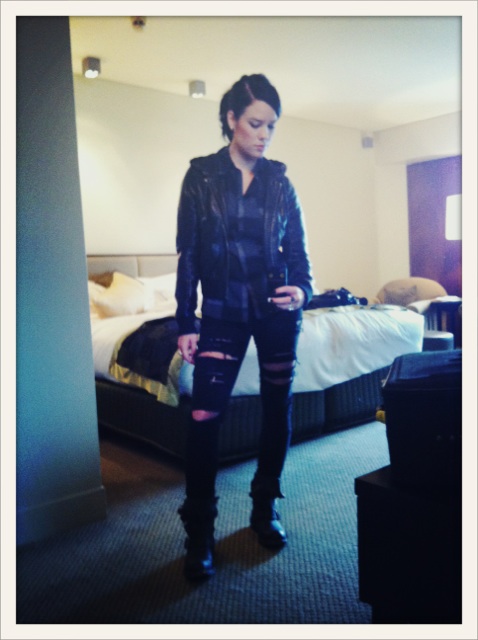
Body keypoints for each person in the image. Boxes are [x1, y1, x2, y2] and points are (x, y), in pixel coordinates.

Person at [175, 73, 314, 580]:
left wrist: (302, 292)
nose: (264, 135)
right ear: (231, 119)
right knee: (203, 416)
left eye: (271, 126)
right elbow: (189, 253)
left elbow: (299, 255)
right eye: (256, 123)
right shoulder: (201, 177)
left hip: (276, 313)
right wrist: (185, 320)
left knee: (278, 408)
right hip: (222, 311)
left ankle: (264, 507)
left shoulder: (280, 182)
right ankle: (199, 532)